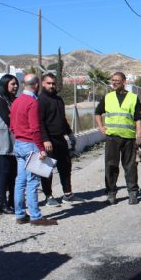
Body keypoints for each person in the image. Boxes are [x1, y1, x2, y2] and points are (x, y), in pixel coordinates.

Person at [10, 73, 58, 226]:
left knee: (20, 180)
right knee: (32, 181)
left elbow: (11, 126)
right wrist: (40, 148)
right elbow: (35, 128)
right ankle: (36, 217)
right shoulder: (32, 102)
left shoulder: (16, 101)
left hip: (18, 143)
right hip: (30, 144)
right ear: (37, 85)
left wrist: (19, 135)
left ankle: (20, 214)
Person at [94, 72, 141, 205]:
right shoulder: (108, 97)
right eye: (113, 80)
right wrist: (100, 127)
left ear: (124, 82)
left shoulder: (133, 98)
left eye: (117, 80)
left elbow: (138, 118)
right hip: (112, 138)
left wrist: (139, 135)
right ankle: (111, 194)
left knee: (130, 166)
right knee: (111, 166)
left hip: (129, 138)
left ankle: (132, 193)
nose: (114, 82)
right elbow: (97, 113)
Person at [38, 73, 83, 206]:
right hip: (48, 140)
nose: (51, 86)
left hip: (60, 139)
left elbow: (62, 119)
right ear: (43, 84)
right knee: (47, 169)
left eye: (53, 83)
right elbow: (40, 122)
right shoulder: (41, 100)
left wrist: (70, 134)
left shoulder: (58, 99)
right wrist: (45, 140)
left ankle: (68, 194)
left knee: (66, 166)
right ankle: (48, 196)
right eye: (49, 83)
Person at [0, 74, 19, 215]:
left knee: (14, 173)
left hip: (15, 141)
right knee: (4, 172)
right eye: (12, 84)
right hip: (3, 142)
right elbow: (9, 119)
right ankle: (2, 203)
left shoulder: (15, 100)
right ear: (5, 84)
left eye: (16, 84)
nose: (15, 86)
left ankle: (13, 200)